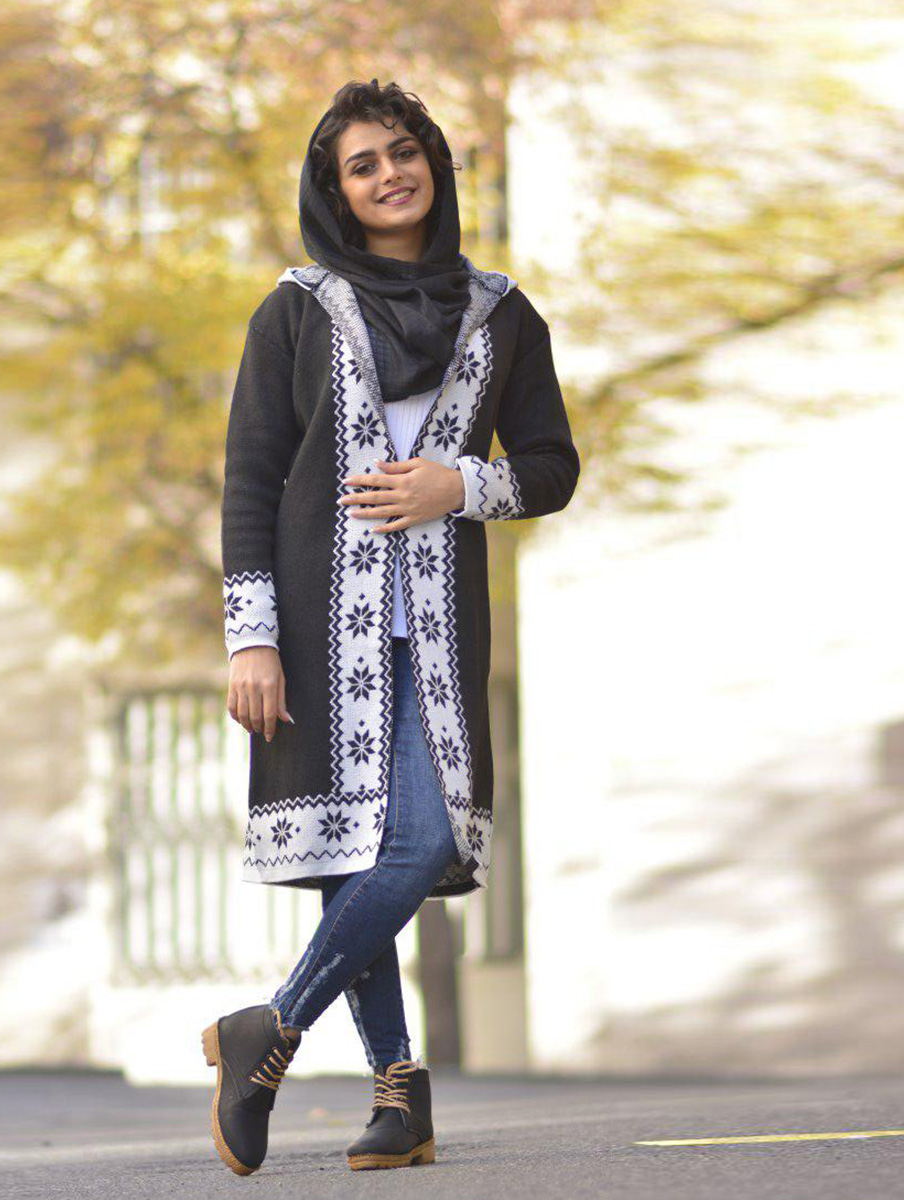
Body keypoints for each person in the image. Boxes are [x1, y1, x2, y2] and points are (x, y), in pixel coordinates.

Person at [204, 78, 580, 1176]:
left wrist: (459, 486)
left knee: (419, 840)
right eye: (362, 165)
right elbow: (250, 481)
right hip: (320, 627)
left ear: (435, 165)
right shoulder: (294, 311)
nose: (388, 175)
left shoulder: (501, 313)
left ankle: (268, 1032)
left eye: (403, 153)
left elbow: (552, 466)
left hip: (440, 629)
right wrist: (250, 637)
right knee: (351, 849)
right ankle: (399, 1097)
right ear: (337, 191)